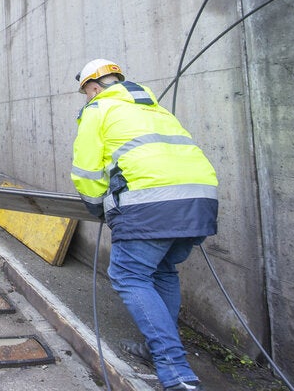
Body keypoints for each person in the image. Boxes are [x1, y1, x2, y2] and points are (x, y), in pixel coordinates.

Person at [70, 59, 218, 391]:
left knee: (128, 275)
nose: (87, 97)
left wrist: (98, 208)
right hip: (200, 202)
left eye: (86, 92)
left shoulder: (98, 109)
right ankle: (155, 351)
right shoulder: (156, 109)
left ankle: (175, 371)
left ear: (93, 88)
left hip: (150, 203)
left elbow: (86, 171)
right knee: (162, 271)